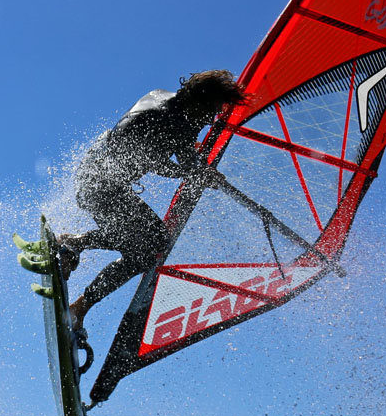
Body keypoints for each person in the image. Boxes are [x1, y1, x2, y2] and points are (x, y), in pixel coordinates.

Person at [57, 69, 245, 335]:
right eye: (211, 111)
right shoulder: (167, 118)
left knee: (147, 246)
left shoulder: (168, 101)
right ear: (198, 101)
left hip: (100, 180)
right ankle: (74, 261)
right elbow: (157, 160)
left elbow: (184, 156)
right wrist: (194, 173)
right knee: (151, 245)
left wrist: (200, 171)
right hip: (99, 185)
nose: (210, 119)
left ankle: (74, 250)